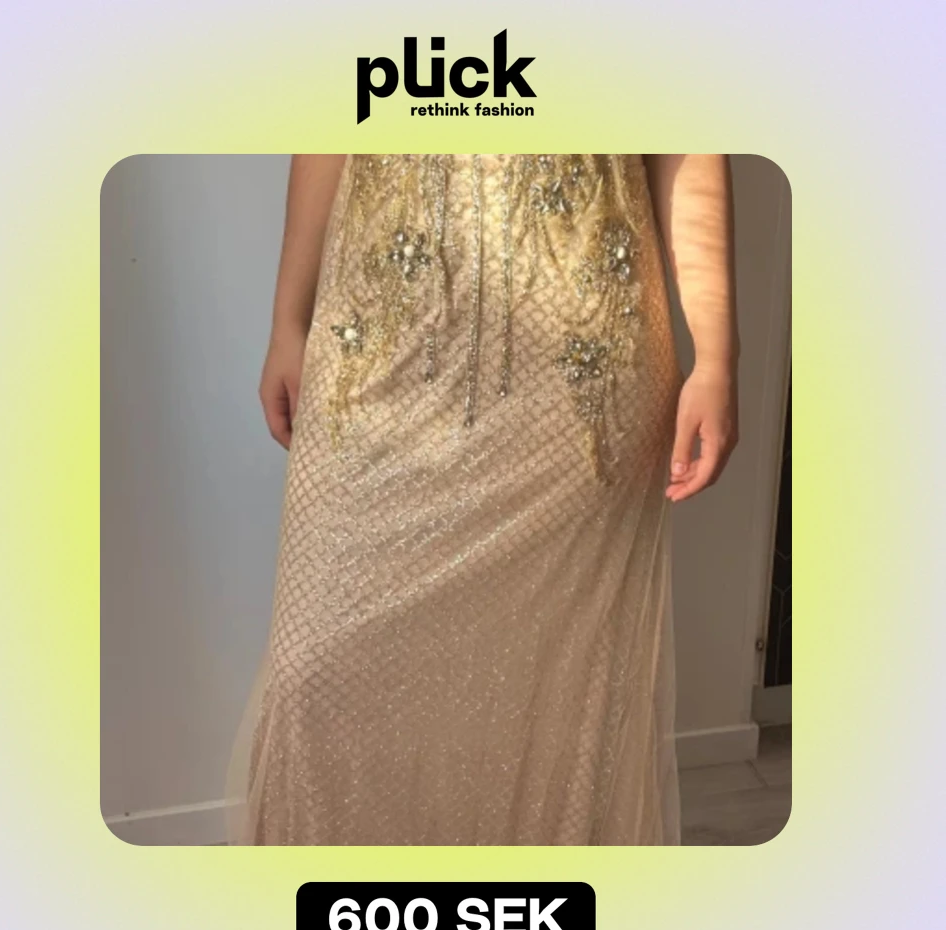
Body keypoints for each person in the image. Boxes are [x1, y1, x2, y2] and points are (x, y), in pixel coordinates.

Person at [226, 154, 738, 846]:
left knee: (564, 697)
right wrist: (287, 319)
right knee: (311, 676)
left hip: (579, 360)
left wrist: (718, 356)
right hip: (376, 335)